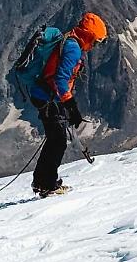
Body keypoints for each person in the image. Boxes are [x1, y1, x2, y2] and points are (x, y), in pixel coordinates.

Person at [29, 12, 107, 197]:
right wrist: (71, 106)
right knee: (58, 141)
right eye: (95, 41)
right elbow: (61, 80)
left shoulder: (71, 39)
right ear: (89, 35)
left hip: (45, 95)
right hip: (48, 97)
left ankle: (43, 181)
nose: (94, 46)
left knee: (55, 139)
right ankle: (46, 184)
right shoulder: (73, 49)